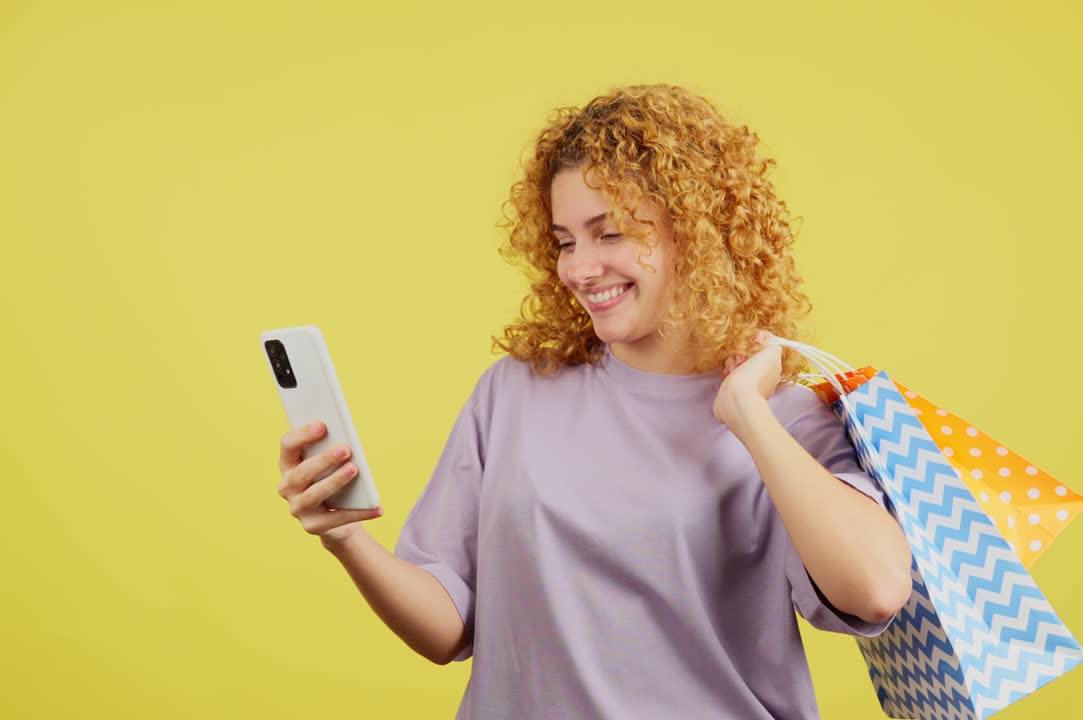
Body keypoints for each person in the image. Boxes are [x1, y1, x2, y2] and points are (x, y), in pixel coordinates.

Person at [276, 84, 912, 719]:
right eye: (565, 241)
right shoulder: (514, 392)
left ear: (696, 235)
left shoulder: (788, 420)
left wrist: (748, 415)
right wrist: (348, 539)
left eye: (608, 234)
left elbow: (877, 591)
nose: (580, 268)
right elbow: (447, 628)